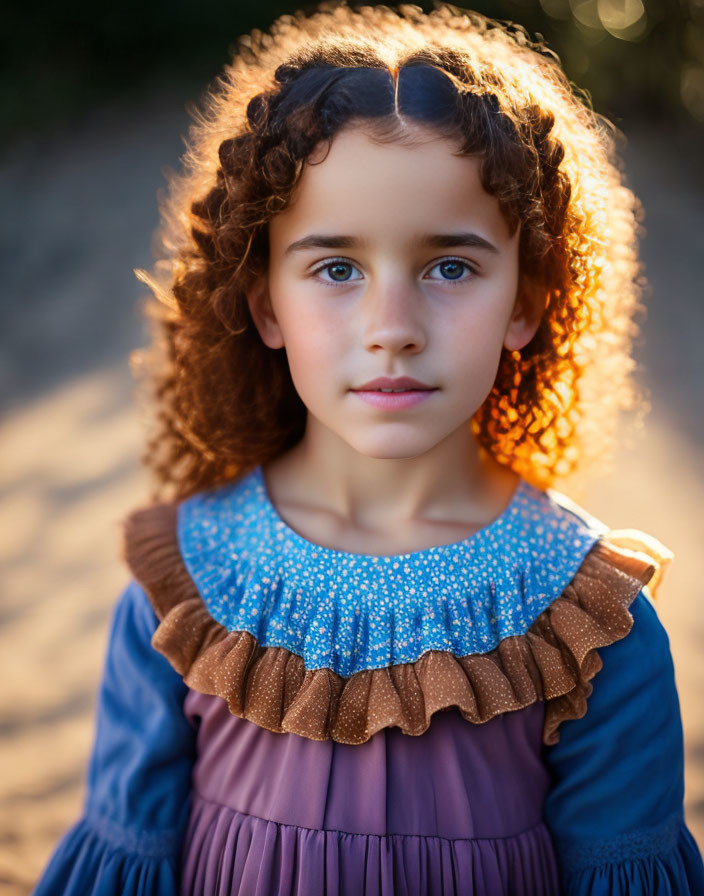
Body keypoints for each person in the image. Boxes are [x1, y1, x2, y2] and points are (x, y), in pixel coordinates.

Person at [32, 1, 704, 893]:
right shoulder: (184, 589)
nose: (393, 329)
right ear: (266, 302)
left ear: (526, 302)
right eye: (336, 268)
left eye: (450, 266)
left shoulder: (589, 624)